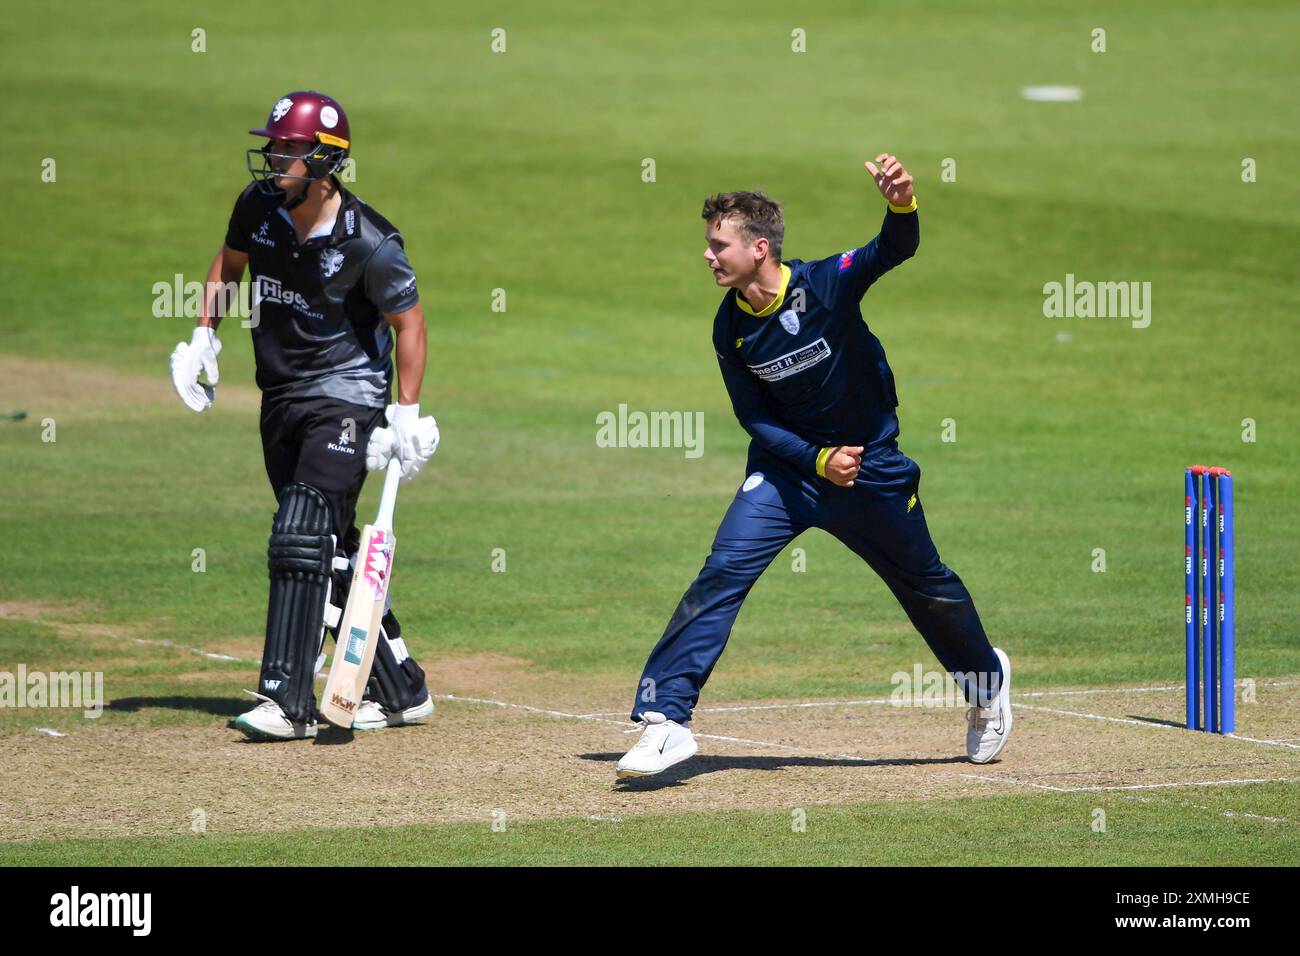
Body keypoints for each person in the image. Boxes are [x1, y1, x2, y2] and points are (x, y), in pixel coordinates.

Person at [616, 155, 1011, 777]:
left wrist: (902, 203)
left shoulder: (826, 283)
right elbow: (754, 417)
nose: (708, 255)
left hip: (872, 470)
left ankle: (986, 685)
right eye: (708, 245)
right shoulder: (731, 329)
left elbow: (892, 248)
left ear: (760, 247)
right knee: (721, 573)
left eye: (719, 245)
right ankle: (665, 719)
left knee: (927, 588)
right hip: (789, 474)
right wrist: (816, 459)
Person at [168, 91, 439, 740]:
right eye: (275, 146)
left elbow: (411, 323)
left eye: (287, 150)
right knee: (332, 550)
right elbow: (227, 263)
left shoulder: (370, 240)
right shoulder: (257, 207)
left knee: (299, 532)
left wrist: (406, 415)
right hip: (280, 396)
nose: (273, 159)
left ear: (324, 161)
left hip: (347, 399)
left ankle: (285, 700)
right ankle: (401, 689)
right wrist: (205, 335)